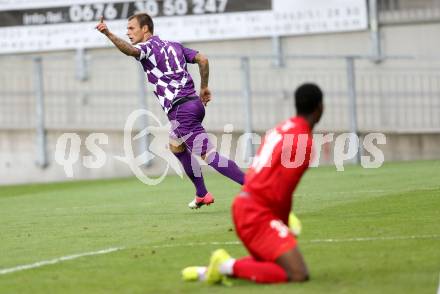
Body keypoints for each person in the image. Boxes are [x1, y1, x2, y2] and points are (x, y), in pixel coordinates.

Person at [96, 14, 244, 209]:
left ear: (145, 29)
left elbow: (130, 51)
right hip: (193, 104)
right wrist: (204, 87)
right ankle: (202, 194)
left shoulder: (146, 48)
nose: (128, 32)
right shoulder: (175, 45)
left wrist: (108, 33)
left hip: (181, 110)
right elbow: (202, 59)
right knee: (176, 146)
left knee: (208, 155)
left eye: (131, 28)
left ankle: (255, 187)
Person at [182, 83, 324, 284]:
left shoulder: (282, 128)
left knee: (274, 263)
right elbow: (283, 193)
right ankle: (224, 264)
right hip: (257, 214)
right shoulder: (304, 143)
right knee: (298, 273)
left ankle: (208, 272)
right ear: (320, 108)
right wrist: (282, 224)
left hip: (246, 205)